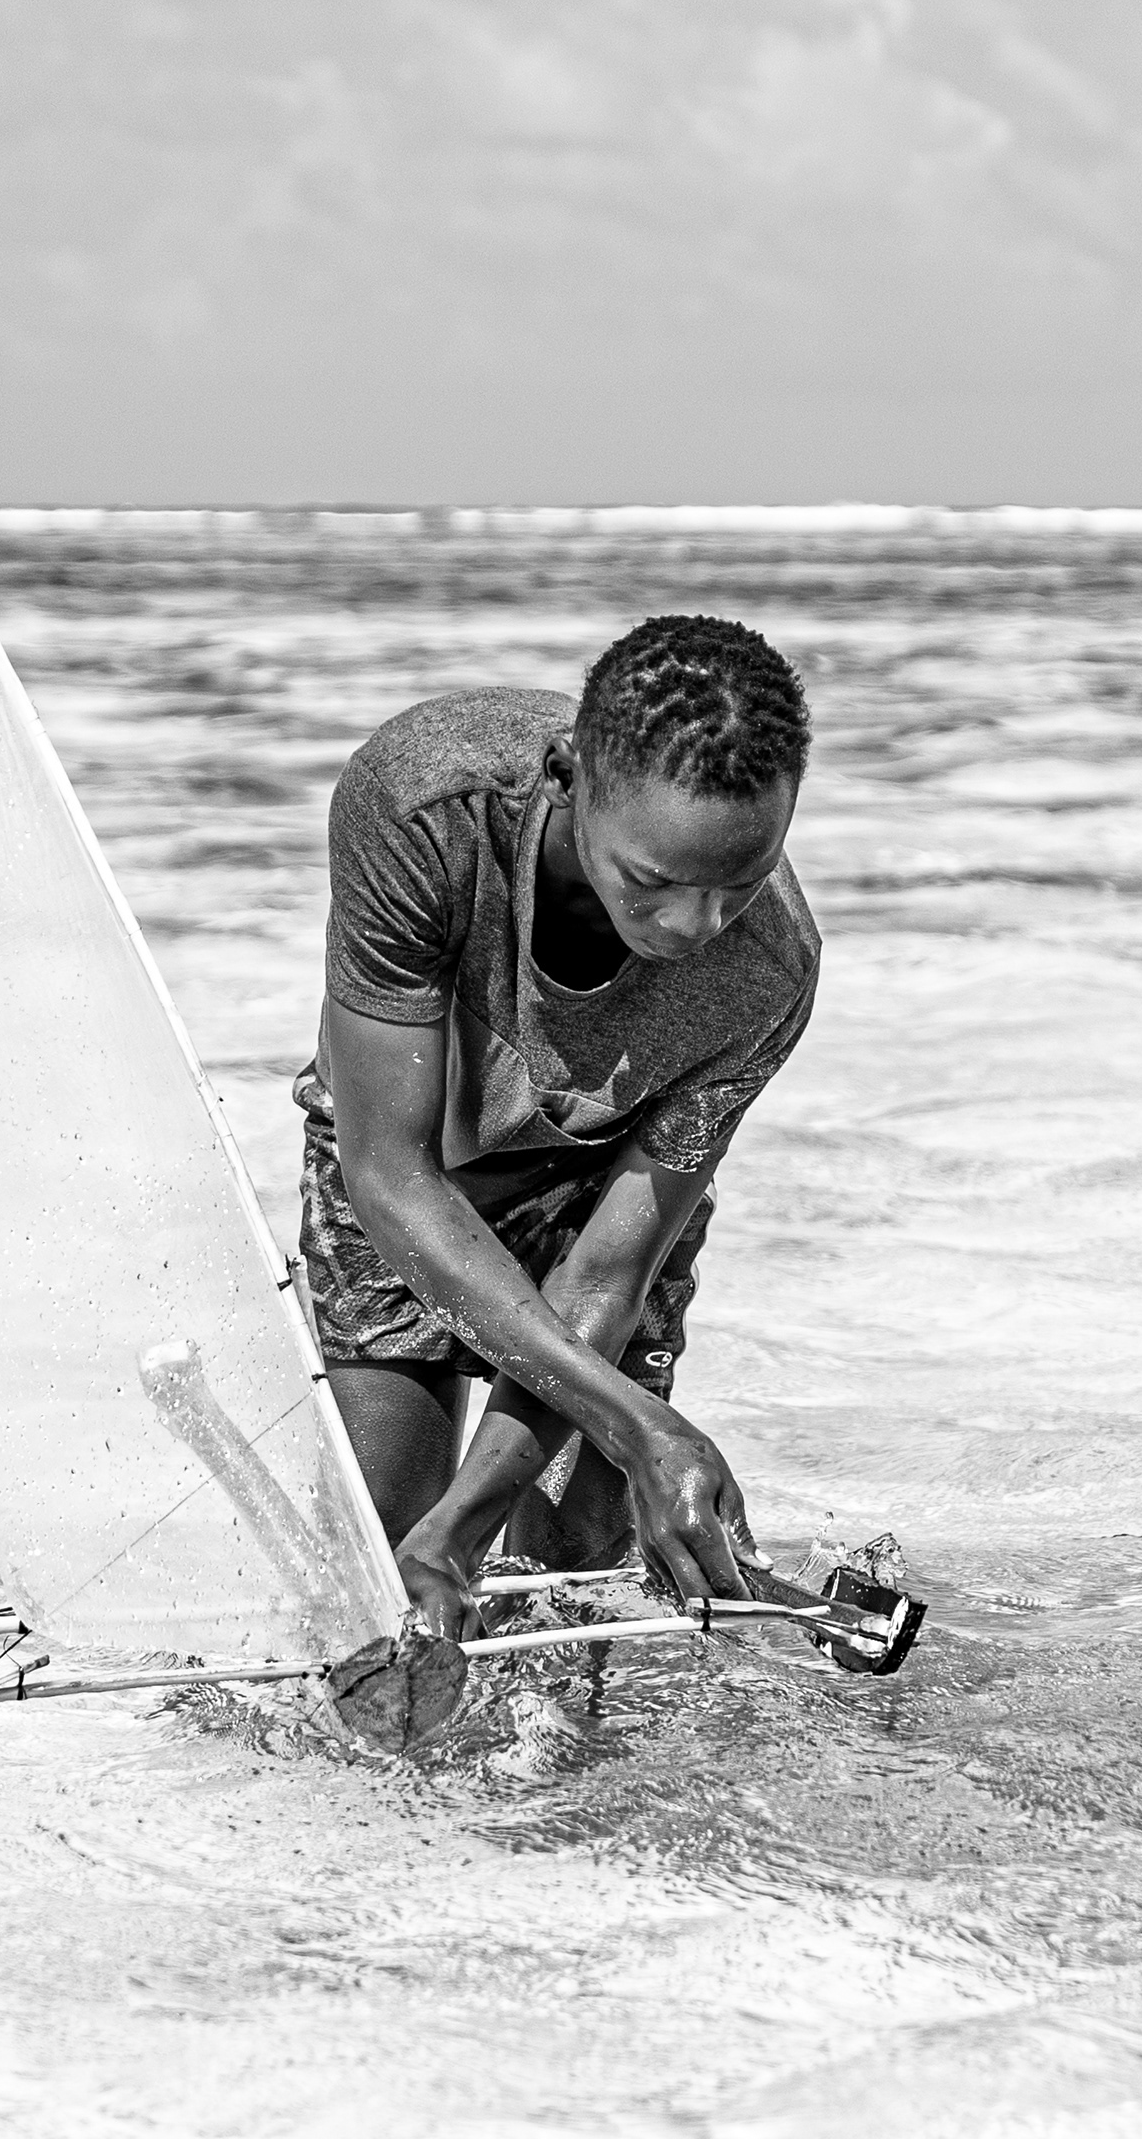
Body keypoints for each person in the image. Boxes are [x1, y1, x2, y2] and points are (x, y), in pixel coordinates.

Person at [299, 614, 819, 1643]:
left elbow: (605, 1279)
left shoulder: (768, 974)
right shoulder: (421, 806)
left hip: (599, 1179)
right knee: (374, 1575)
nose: (690, 930)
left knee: (565, 1600)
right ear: (565, 775)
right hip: (412, 1163)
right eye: (653, 883)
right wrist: (642, 1425)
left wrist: (483, 1516)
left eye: (739, 884)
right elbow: (386, 1169)